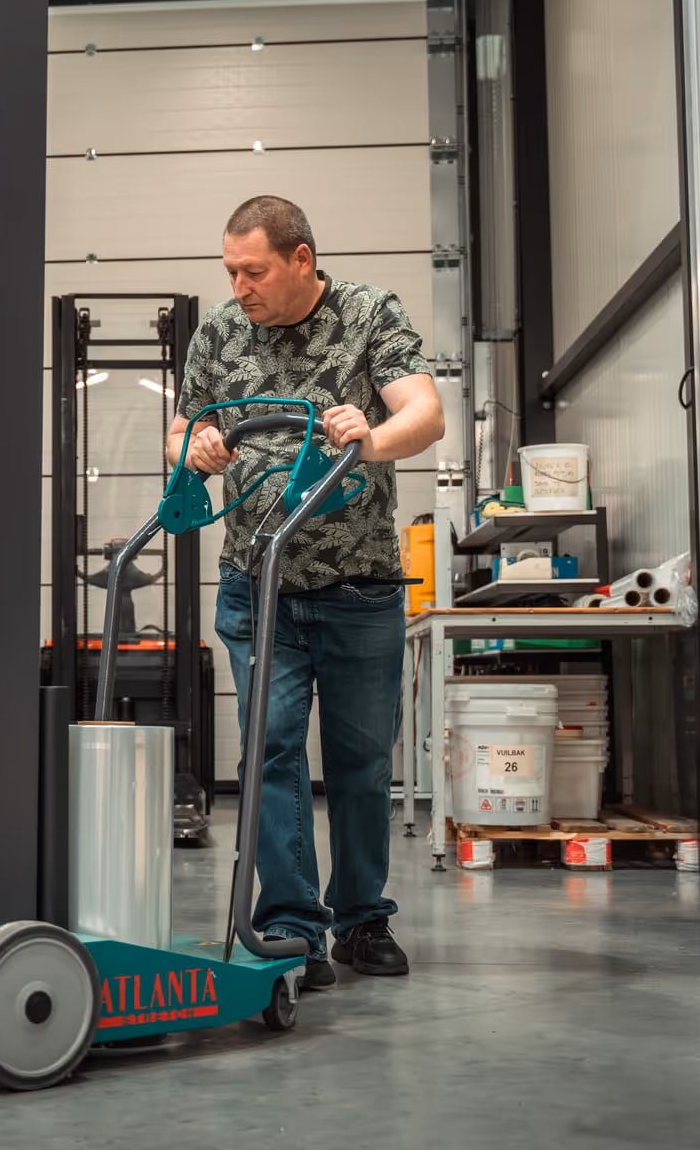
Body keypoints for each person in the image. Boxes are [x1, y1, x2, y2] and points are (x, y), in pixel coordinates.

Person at [168, 195, 443, 987]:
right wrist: (199, 445)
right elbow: (179, 429)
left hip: (359, 587)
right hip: (259, 584)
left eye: (253, 270)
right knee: (272, 749)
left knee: (358, 762)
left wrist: (371, 437)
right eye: (230, 271)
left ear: (301, 259)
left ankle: (361, 920)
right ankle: (292, 924)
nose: (240, 286)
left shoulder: (367, 315)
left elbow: (424, 414)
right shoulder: (221, 331)